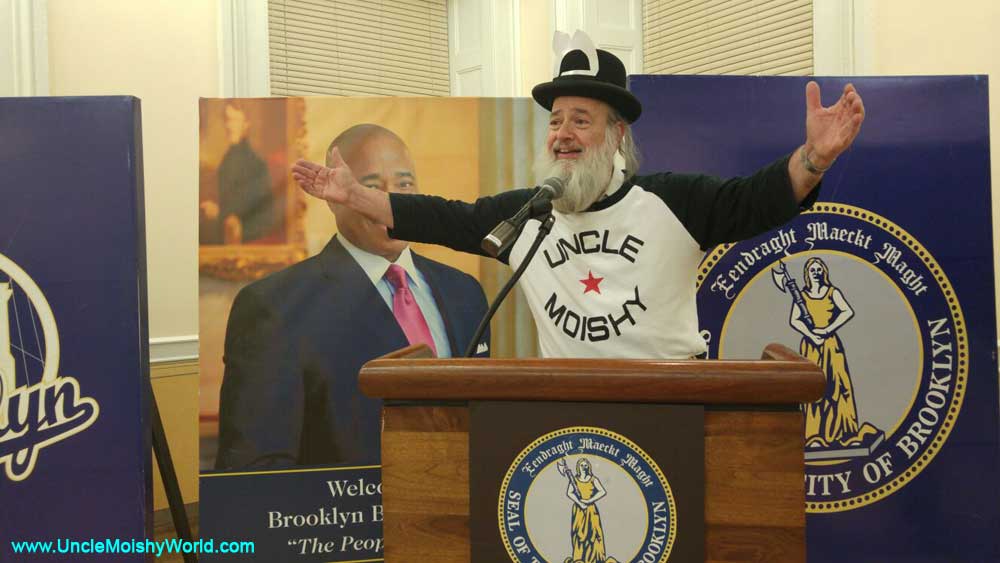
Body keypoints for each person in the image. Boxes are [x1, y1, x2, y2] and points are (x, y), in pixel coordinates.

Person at [292, 39, 865, 360]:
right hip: (568, 417)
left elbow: (758, 199)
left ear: (617, 134)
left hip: (675, 410)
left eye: (581, 120)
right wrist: (355, 196)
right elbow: (440, 218)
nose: (562, 134)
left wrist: (814, 158)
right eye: (555, 120)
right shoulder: (526, 216)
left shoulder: (675, 201)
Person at [215, 124, 490, 469]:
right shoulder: (273, 306)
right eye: (370, 187)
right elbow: (257, 466)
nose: (388, 201)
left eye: (405, 184)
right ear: (334, 198)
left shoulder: (465, 292)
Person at [790, 257, 877, 449]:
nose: (816, 272)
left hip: (831, 345)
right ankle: (813, 435)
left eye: (818, 269)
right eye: (812, 269)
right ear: (807, 273)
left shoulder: (832, 292)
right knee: (811, 388)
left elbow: (847, 311)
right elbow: (794, 320)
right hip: (811, 347)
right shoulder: (801, 296)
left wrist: (827, 329)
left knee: (838, 386)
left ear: (824, 272)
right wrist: (811, 334)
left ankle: (843, 432)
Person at [200, 101, 276, 244]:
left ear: (246, 124)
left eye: (234, 120)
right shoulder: (228, 158)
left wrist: (219, 212)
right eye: (227, 120)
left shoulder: (254, 163)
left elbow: (257, 212)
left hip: (248, 237)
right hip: (226, 232)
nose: (229, 126)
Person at [562, 457, 616, 563]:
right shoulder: (574, 480)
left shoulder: (593, 479)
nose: (584, 467)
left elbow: (602, 491)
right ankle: (579, 559)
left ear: (589, 467)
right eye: (582, 465)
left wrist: (589, 500)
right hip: (579, 510)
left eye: (585, 465)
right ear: (578, 467)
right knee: (579, 534)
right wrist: (579, 503)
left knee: (595, 533)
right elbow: (569, 493)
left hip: (591, 510)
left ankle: (597, 559)